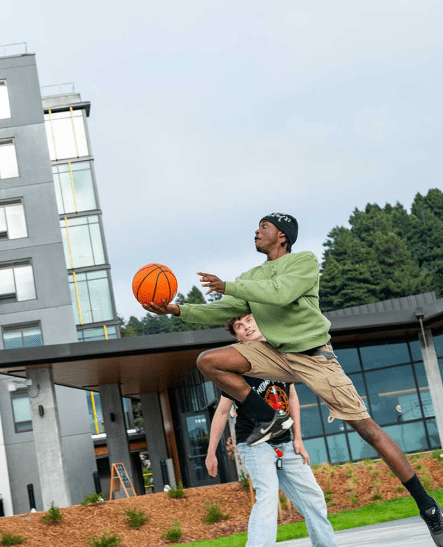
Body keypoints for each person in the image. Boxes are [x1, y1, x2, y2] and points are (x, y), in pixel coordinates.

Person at [143, 213, 443, 546]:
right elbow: (221, 310)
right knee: (209, 362)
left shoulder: (304, 262)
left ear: (282, 236)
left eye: (264, 227)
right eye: (257, 227)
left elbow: (280, 292)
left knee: (368, 429)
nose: (257, 231)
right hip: (276, 354)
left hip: (316, 358)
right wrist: (175, 310)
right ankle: (270, 416)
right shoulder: (252, 276)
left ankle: (426, 505)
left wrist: (228, 284)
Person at [206, 313, 336, 547]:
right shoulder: (237, 366)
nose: (246, 327)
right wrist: (211, 452)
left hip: (286, 441)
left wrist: (298, 438)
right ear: (237, 336)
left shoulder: (279, 355)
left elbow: (292, 397)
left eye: (249, 321)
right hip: (254, 443)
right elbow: (223, 412)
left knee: (313, 498)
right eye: (239, 326)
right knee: (267, 494)